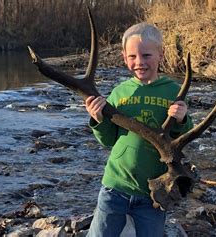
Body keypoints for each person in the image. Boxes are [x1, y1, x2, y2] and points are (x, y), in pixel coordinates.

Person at [85, 22, 193, 237]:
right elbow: (108, 140)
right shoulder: (119, 93)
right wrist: (98, 120)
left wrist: (182, 120)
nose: (139, 62)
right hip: (115, 186)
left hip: (153, 192)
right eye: (132, 56)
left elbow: (180, 140)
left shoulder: (174, 91)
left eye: (146, 55)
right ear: (124, 57)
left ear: (161, 55)